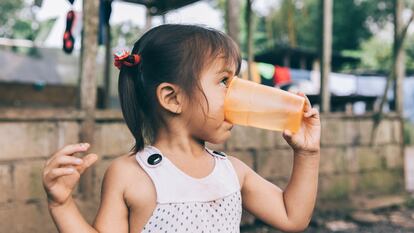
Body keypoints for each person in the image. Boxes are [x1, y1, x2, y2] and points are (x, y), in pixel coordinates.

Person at [42, 24, 321, 233]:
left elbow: (291, 216)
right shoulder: (130, 175)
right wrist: (62, 204)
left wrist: (307, 153)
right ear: (172, 98)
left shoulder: (233, 171)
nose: (236, 93)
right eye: (224, 81)